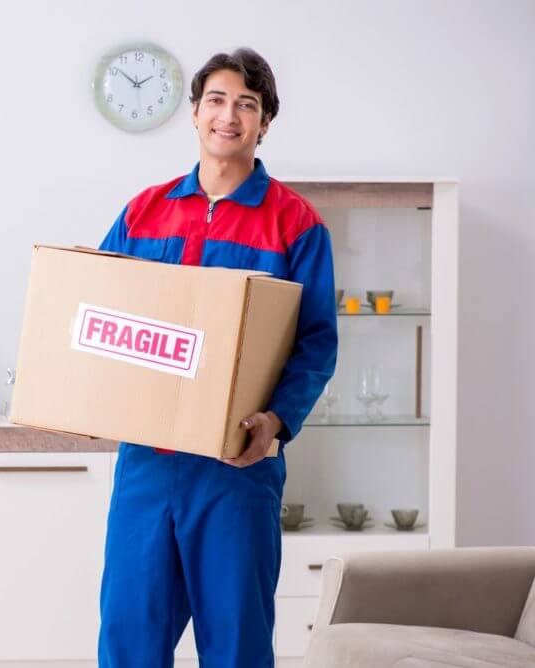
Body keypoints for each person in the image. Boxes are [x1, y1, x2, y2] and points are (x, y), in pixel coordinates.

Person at [97, 47, 338, 668]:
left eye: (247, 105)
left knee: (236, 645)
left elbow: (316, 342)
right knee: (130, 638)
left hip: (237, 465)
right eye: (217, 100)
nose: (229, 116)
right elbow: (97, 310)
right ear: (196, 112)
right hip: (147, 463)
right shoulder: (144, 211)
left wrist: (276, 422)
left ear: (264, 123)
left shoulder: (295, 223)